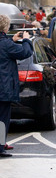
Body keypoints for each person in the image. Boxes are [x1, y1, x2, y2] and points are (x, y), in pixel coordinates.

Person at [0, 16, 33, 158]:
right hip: (3, 88)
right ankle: (0, 147)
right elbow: (25, 53)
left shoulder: (5, 43)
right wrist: (26, 39)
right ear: (5, 28)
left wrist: (10, 40)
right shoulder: (6, 45)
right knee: (2, 118)